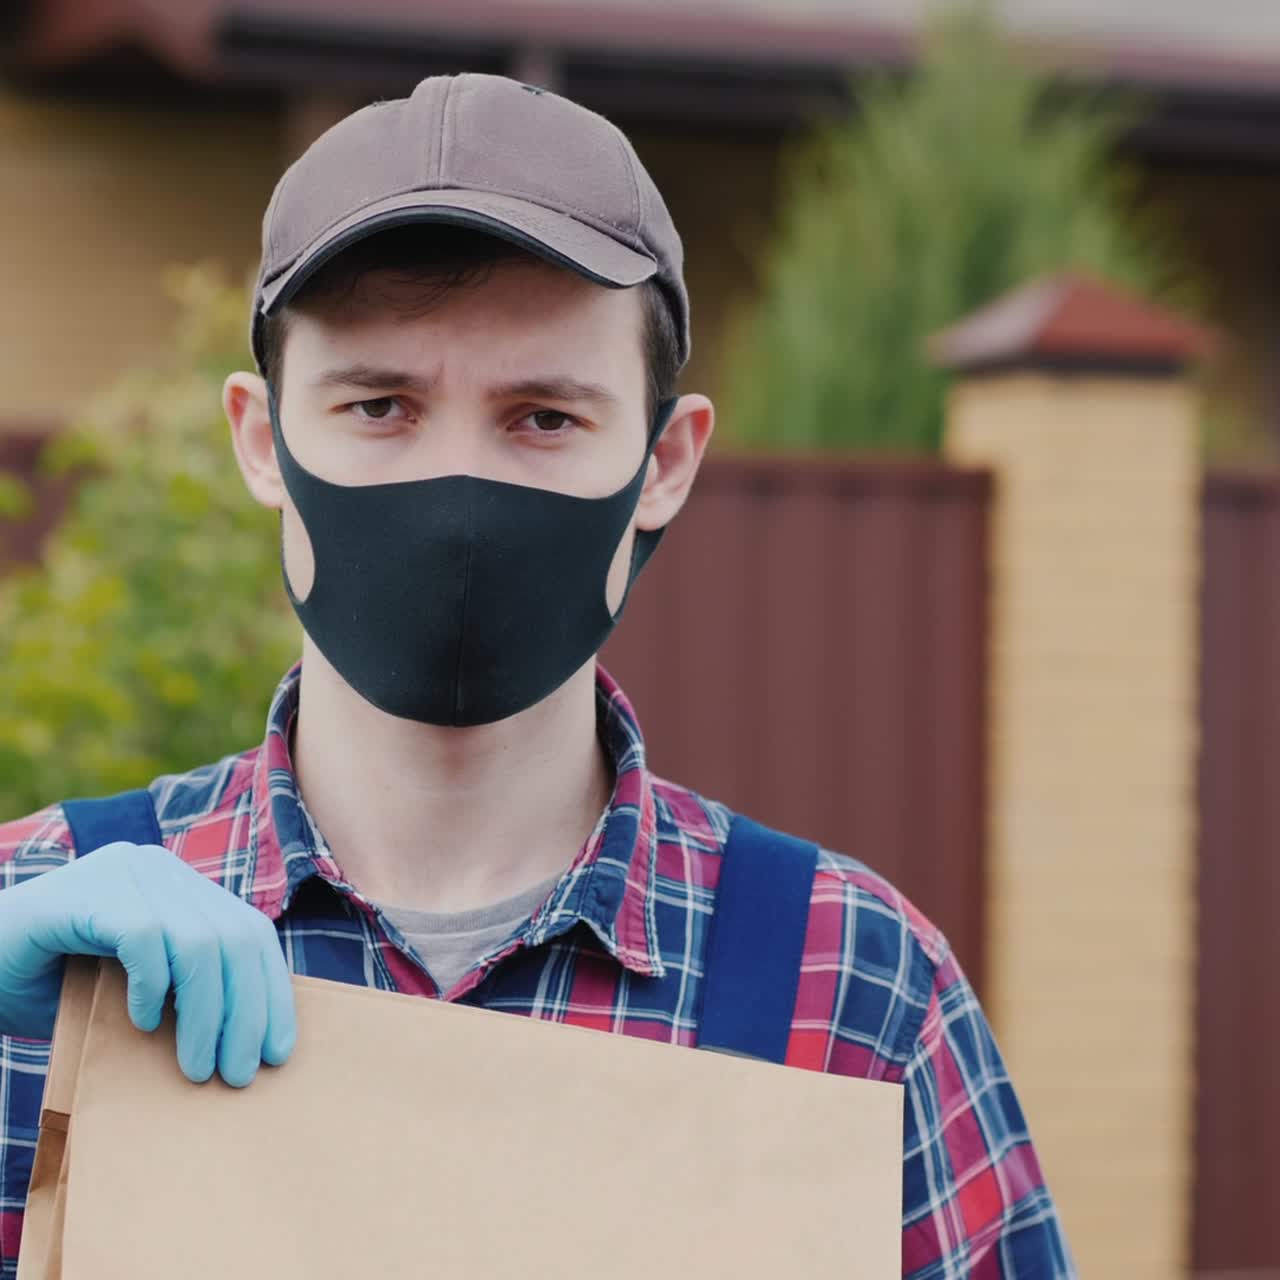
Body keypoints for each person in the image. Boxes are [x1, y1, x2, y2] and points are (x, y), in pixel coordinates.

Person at [0, 74, 1073, 1276]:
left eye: (543, 417)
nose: (456, 492)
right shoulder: (42, 933)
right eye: (379, 404)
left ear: (664, 460)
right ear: (262, 439)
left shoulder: (857, 986)